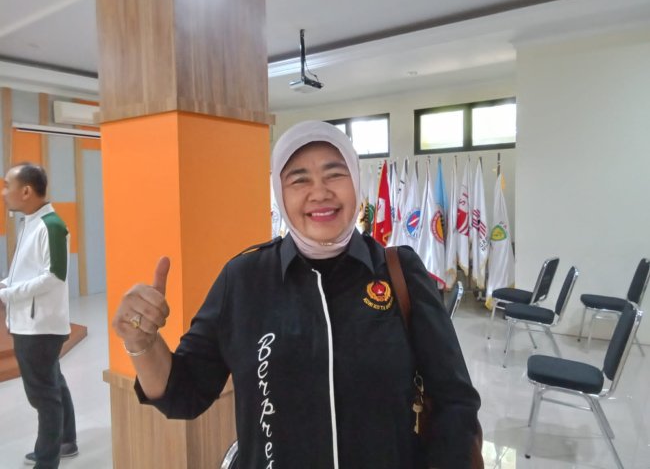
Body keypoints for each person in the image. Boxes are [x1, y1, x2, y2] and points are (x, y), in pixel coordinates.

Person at [113, 121, 481, 468]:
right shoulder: (244, 279)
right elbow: (183, 394)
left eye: (334, 174)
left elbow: (454, 400)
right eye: (299, 179)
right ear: (279, 191)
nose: (319, 192)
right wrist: (142, 343)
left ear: (355, 181)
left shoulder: (399, 271)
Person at [1, 163, 78, 468]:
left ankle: (47, 460)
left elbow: (54, 277)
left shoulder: (51, 225)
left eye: (7, 185)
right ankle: (66, 441)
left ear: (26, 191)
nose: (4, 192)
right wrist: (5, 285)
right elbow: (26, 272)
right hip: (33, 323)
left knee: (43, 396)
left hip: (39, 327)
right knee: (53, 382)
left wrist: (7, 294)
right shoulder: (31, 222)